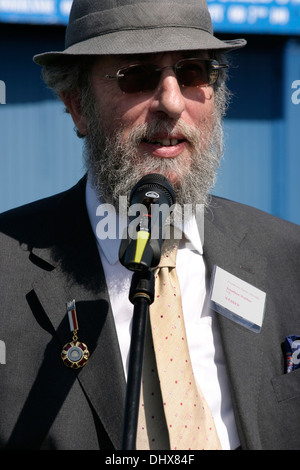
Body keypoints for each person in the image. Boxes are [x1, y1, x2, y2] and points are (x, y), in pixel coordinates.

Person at [0, 0, 300, 451]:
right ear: (78, 106)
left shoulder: (286, 254)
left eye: (194, 71)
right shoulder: (7, 270)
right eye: (137, 75)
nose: (172, 102)